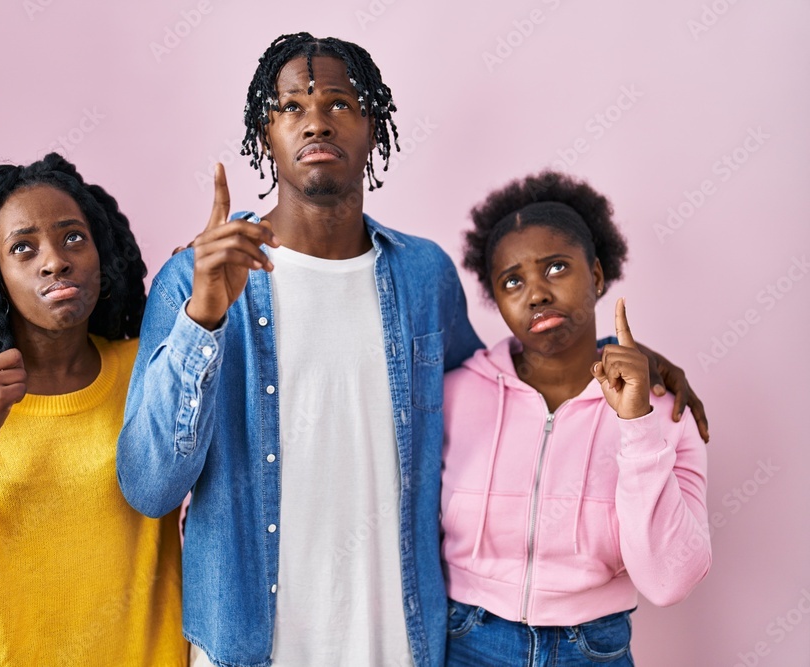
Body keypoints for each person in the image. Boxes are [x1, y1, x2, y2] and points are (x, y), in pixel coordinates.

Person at [116, 33, 706, 667]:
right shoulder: (194, 282)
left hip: (403, 642)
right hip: (249, 644)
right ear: (265, 135)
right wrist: (201, 320)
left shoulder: (422, 274)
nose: (316, 119)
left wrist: (619, 356)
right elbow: (149, 486)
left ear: (373, 126)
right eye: (291, 106)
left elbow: (502, 382)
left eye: (340, 103)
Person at [0, 153, 189, 666]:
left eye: (73, 236)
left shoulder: (150, 369)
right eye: (23, 248)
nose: (54, 260)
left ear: (103, 251)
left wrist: (198, 312)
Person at [440, 171, 711, 666]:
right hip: (467, 642)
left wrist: (637, 425)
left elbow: (671, 581)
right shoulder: (453, 396)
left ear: (599, 275)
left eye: (557, 268)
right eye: (513, 281)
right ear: (496, 300)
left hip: (592, 649)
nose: (536, 293)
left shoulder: (664, 410)